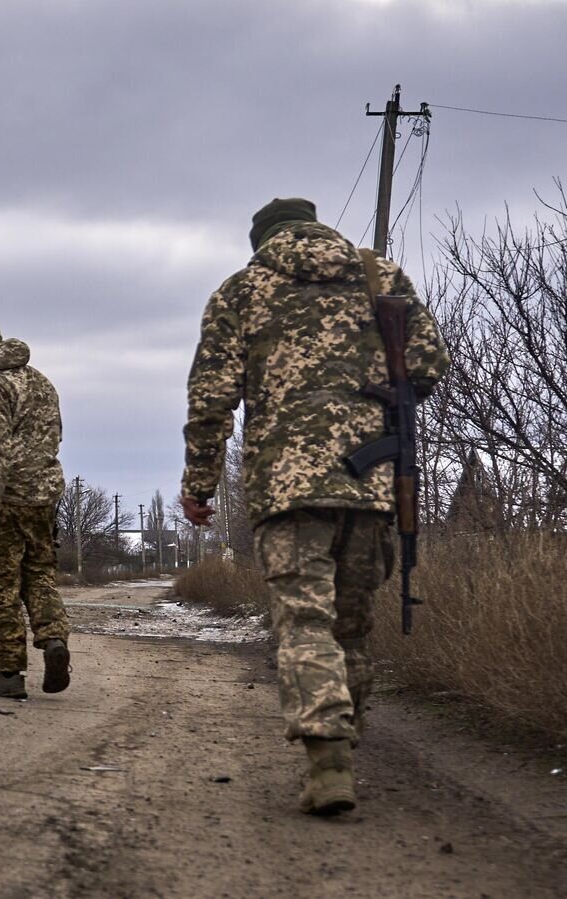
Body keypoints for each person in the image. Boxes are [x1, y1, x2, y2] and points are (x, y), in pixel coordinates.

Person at [180, 198, 449, 815]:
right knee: (351, 627)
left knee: (304, 622)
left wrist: (199, 485)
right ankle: (345, 743)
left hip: (288, 490)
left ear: (262, 241)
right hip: (375, 485)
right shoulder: (381, 277)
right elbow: (431, 366)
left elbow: (211, 399)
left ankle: (329, 760)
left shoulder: (243, 289)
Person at [0, 320, 71, 699]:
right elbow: (52, 438)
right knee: (39, 575)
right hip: (43, 499)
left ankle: (9, 672)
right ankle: (54, 639)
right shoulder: (40, 382)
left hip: (6, 501)